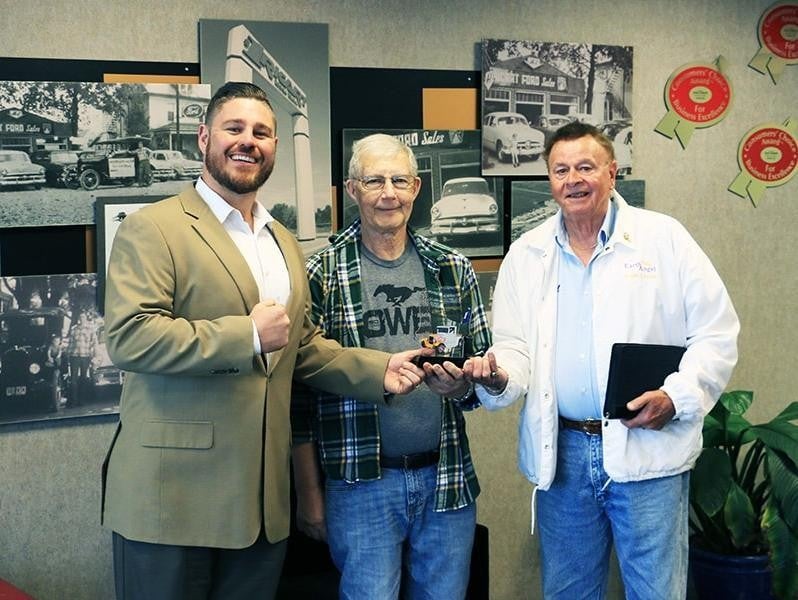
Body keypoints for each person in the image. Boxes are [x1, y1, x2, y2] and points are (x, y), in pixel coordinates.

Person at [102, 83, 427, 600]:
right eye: (234, 128)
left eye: (262, 132)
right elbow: (129, 336)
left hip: (260, 502)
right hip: (173, 497)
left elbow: (298, 347)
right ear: (204, 138)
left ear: (275, 146)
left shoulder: (283, 241)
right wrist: (247, 334)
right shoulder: (153, 228)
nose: (248, 141)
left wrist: (376, 370)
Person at [464, 121, 739, 599]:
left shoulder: (664, 239)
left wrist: (676, 397)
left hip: (647, 446)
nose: (573, 179)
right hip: (564, 453)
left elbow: (717, 333)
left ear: (612, 173)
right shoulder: (527, 255)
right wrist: (500, 374)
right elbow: (513, 346)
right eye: (561, 169)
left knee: (655, 591)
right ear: (549, 181)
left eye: (586, 167)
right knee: (569, 592)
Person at [291, 133, 491, 599]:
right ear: (352, 189)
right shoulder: (320, 273)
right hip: (361, 485)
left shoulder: (452, 268)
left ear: (417, 188)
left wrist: (460, 388)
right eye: (374, 180)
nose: (388, 193)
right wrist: (309, 494)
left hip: (446, 478)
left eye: (399, 180)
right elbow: (297, 393)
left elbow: (481, 380)